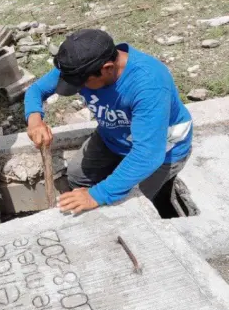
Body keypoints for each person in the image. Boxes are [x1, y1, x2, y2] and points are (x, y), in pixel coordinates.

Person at [24, 29, 192, 215]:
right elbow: (36, 90)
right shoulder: (81, 62)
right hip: (114, 135)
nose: (79, 89)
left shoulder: (149, 84)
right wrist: (34, 120)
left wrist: (96, 195)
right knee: (76, 175)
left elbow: (148, 154)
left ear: (107, 68)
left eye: (82, 84)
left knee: (134, 207)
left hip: (163, 151)